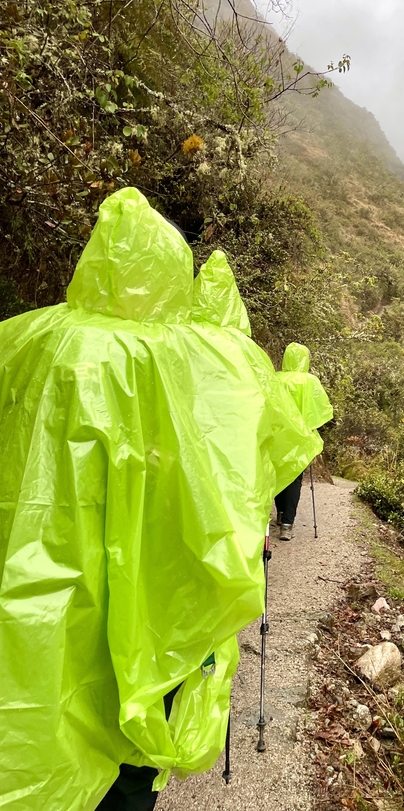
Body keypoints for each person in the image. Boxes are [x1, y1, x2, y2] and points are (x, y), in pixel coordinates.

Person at [0, 188, 320, 811]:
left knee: (45, 697)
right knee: (133, 726)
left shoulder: (23, 342)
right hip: (156, 586)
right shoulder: (200, 363)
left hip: (37, 576)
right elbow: (229, 475)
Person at [274, 343, 334, 540]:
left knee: (277, 473)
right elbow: (321, 410)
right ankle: (287, 524)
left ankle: (281, 511)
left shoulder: (276, 378)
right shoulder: (310, 382)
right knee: (295, 478)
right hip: (300, 438)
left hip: (278, 436)